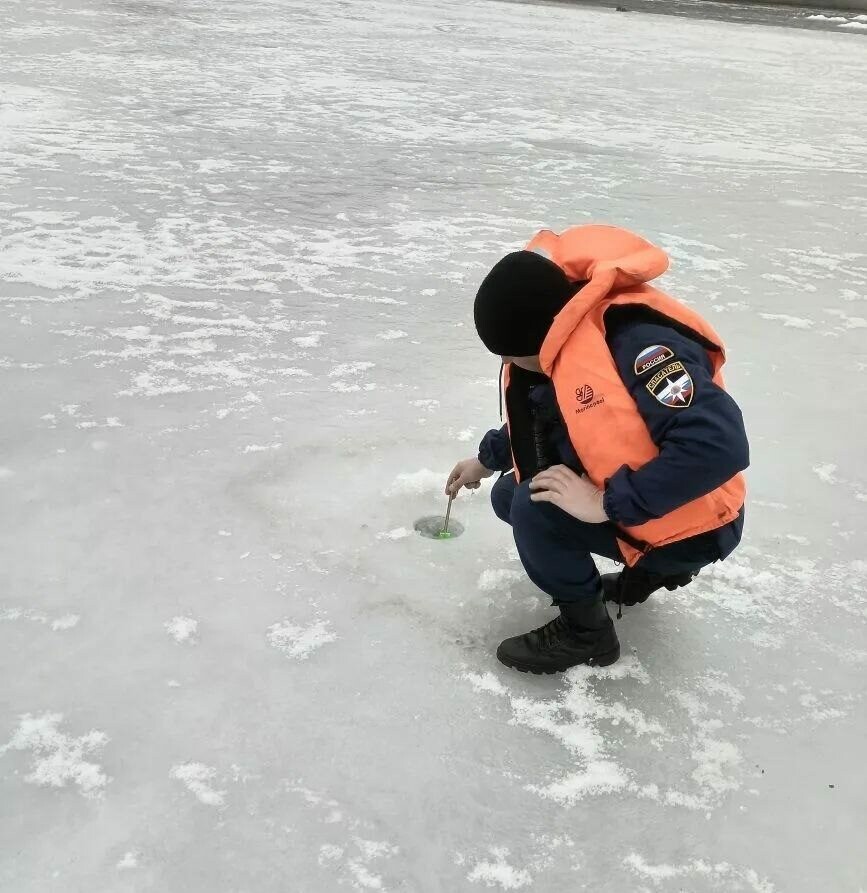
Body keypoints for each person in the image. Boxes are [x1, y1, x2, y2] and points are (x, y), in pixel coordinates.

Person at [445, 225, 749, 674]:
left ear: (536, 338)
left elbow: (718, 445)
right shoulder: (567, 329)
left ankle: (586, 634)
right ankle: (648, 572)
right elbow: (548, 418)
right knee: (509, 492)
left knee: (532, 506)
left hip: (698, 521)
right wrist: (486, 460)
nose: (509, 366)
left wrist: (606, 503)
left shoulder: (642, 348)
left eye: (511, 356)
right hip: (654, 504)